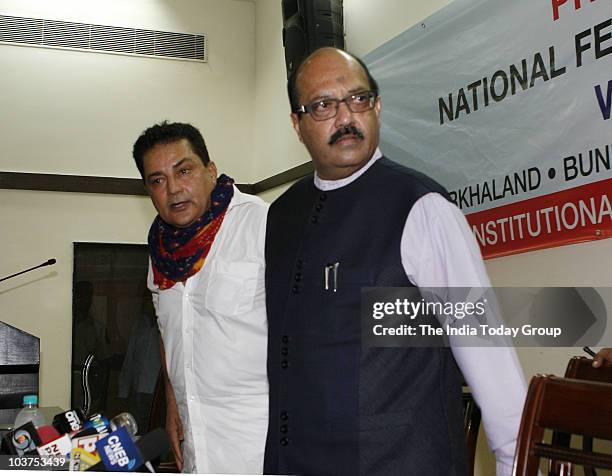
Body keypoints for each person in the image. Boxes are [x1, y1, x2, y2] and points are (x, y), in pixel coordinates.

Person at [264, 48, 526, 476]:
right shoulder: (281, 216)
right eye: (324, 106)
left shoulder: (423, 208)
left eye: (359, 99)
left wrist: (514, 463)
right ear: (297, 124)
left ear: (378, 107)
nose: (346, 117)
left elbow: (488, 354)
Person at [132, 121, 269, 474]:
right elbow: (171, 331)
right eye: (157, 180)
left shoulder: (262, 225)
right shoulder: (161, 249)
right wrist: (173, 403)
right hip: (195, 447)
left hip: (260, 447)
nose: (174, 189)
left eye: (184, 171)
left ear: (211, 170)